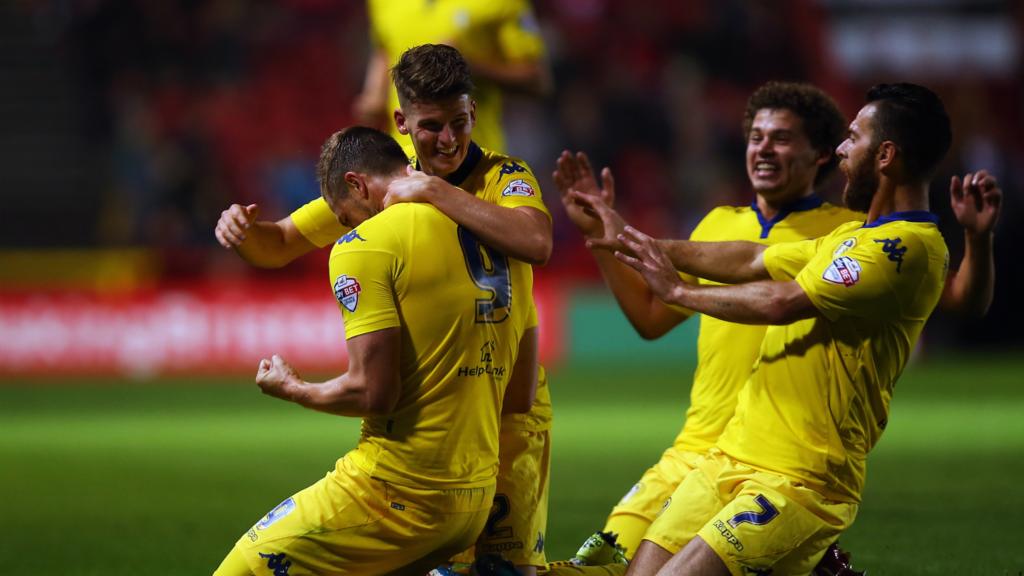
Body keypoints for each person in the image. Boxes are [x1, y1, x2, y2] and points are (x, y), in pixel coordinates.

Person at [551, 82, 999, 574]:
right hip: (720, 450)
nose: (763, 148)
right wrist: (622, 237)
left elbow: (786, 301)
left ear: (827, 155)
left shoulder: (889, 242)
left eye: (782, 138)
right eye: (756, 136)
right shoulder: (834, 234)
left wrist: (680, 291)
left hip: (802, 471)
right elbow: (753, 261)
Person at [215, 44, 554, 575]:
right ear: (401, 122)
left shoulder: (503, 176)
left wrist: (437, 192)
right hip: (451, 421)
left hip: (508, 417)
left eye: (460, 123)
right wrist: (240, 228)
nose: (448, 140)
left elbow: (537, 240)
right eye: (431, 126)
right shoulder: (384, 187)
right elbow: (278, 243)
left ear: (475, 114)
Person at [353, 0, 552, 156]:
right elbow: (384, 46)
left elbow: (537, 80)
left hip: (472, 158)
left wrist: (464, 65)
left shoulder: (501, 3)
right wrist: (374, 92)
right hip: (406, 157)